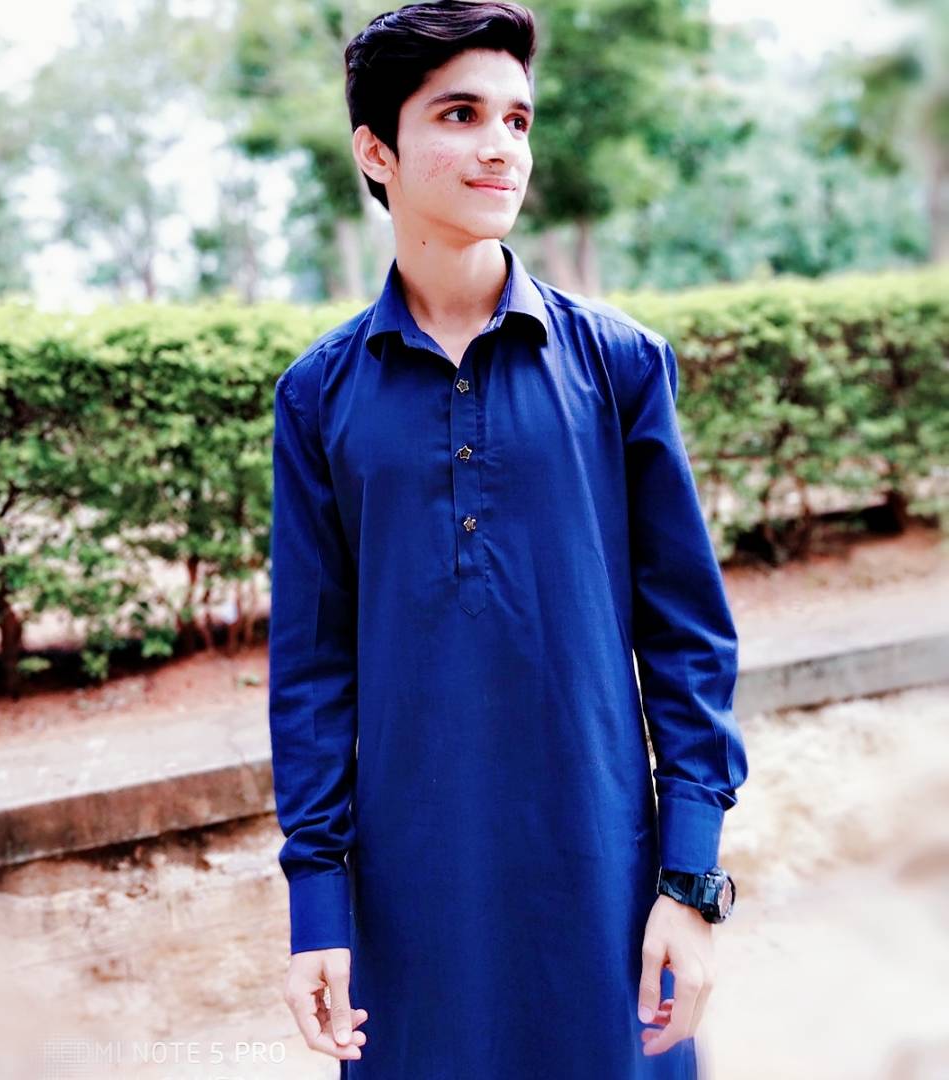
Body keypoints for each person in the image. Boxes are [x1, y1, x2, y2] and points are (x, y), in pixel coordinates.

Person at [266, 2, 750, 1076]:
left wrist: (689, 884)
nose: (501, 146)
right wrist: (317, 906)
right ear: (376, 152)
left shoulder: (619, 364)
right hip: (410, 899)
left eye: (517, 119)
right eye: (461, 114)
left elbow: (688, 642)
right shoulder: (317, 396)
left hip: (604, 874)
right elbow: (311, 671)